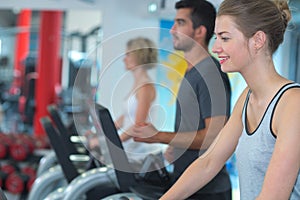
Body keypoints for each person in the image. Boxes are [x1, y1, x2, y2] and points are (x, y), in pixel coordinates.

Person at [159, 0, 300, 199]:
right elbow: (208, 162)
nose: (215, 48)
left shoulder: (292, 104)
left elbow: (273, 196)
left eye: (224, 38)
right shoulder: (247, 98)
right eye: (216, 37)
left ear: (258, 40)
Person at [132, 0, 232, 199]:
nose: (172, 30)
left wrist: (158, 136)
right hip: (188, 183)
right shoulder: (192, 72)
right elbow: (190, 129)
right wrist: (173, 148)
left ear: (199, 31)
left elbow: (213, 137)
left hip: (207, 190)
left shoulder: (209, 74)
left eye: (180, 23)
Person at [114, 37, 162, 169]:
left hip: (143, 154)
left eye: (128, 54)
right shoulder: (138, 84)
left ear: (138, 57)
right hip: (132, 150)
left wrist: (114, 142)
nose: (124, 59)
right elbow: (125, 117)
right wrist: (105, 133)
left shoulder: (145, 88)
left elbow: (138, 125)